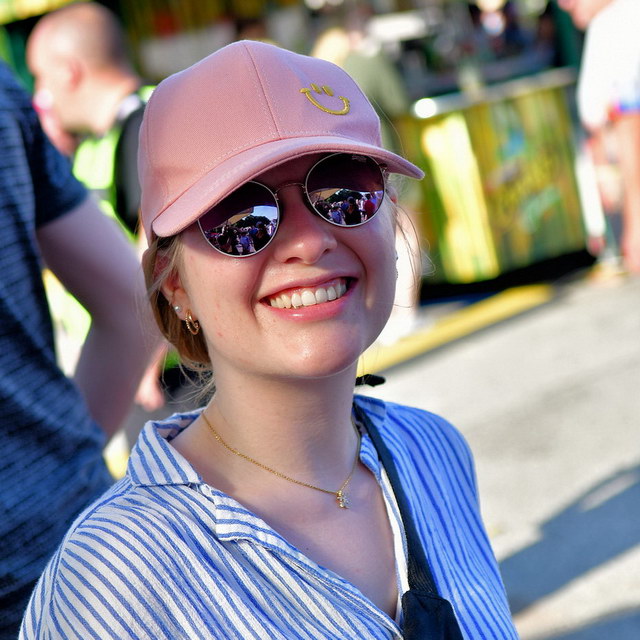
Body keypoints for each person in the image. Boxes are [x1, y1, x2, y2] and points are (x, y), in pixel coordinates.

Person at [20, 41, 517, 639]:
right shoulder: (112, 579)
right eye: (241, 217)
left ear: (389, 214)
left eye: (343, 191)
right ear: (175, 285)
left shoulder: (432, 453)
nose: (309, 241)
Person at [0, 61, 153, 638]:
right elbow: (132, 302)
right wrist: (57, 463)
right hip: (80, 542)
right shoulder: (3, 92)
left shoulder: (143, 122)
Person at [26, 1, 153, 238]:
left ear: (68, 73)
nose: (38, 91)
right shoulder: (93, 142)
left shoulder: (149, 125)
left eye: (39, 76)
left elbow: (157, 250)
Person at [560, 0, 640, 273]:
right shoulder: (608, 24)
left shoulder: (621, 22)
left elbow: (631, 128)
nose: (564, 3)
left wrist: (636, 223)